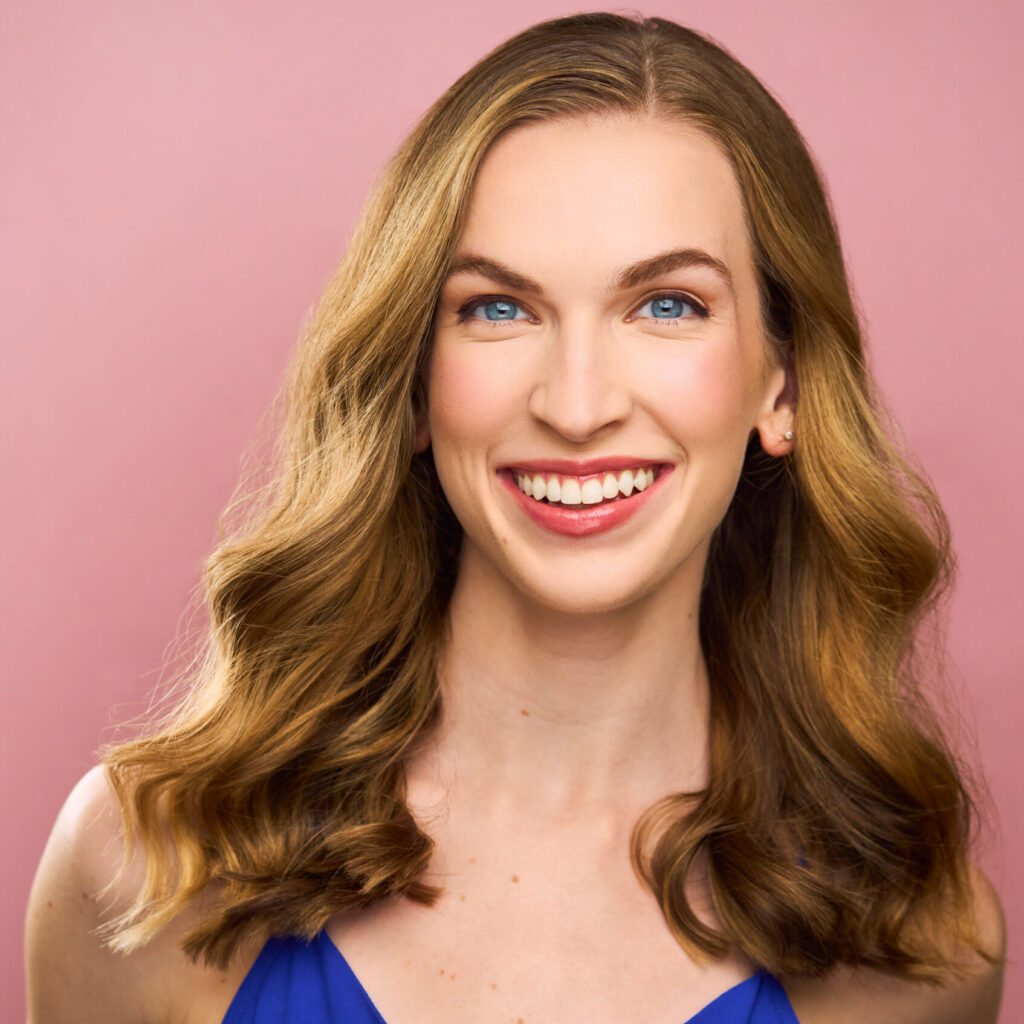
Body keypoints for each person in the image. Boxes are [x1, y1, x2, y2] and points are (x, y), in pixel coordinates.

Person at [25, 12, 1005, 1023]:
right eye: (497, 307)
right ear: (413, 381)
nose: (576, 406)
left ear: (782, 383)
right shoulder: (145, 866)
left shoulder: (918, 948)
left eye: (667, 304)